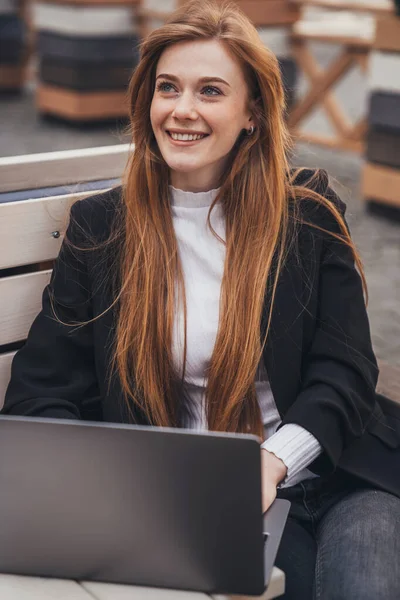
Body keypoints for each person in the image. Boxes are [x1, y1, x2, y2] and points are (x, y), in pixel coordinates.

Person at [2, 0, 400, 597]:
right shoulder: (103, 229)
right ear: (147, 102)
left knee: (365, 587)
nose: (182, 110)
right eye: (168, 88)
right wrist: (109, 483)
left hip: (341, 469)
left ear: (253, 115)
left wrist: (270, 463)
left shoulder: (306, 216)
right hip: (203, 502)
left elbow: (345, 371)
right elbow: (40, 394)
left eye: (210, 91)